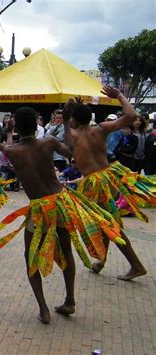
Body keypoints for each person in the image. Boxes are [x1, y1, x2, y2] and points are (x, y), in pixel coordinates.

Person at [0, 107, 122, 324]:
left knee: (31, 256)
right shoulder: (48, 141)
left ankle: (44, 309)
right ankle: (70, 300)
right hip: (59, 201)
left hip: (40, 209)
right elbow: (70, 152)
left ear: (17, 126)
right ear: (36, 123)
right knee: (66, 250)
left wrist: (8, 132)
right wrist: (66, 121)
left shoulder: (12, 150)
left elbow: (1, 147)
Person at [62, 85, 153, 281]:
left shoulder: (75, 135)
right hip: (107, 177)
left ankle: (136, 265)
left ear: (74, 120)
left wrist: (65, 119)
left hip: (95, 184)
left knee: (109, 224)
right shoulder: (101, 129)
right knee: (105, 221)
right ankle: (102, 260)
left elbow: (67, 144)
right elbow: (131, 116)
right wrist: (119, 95)